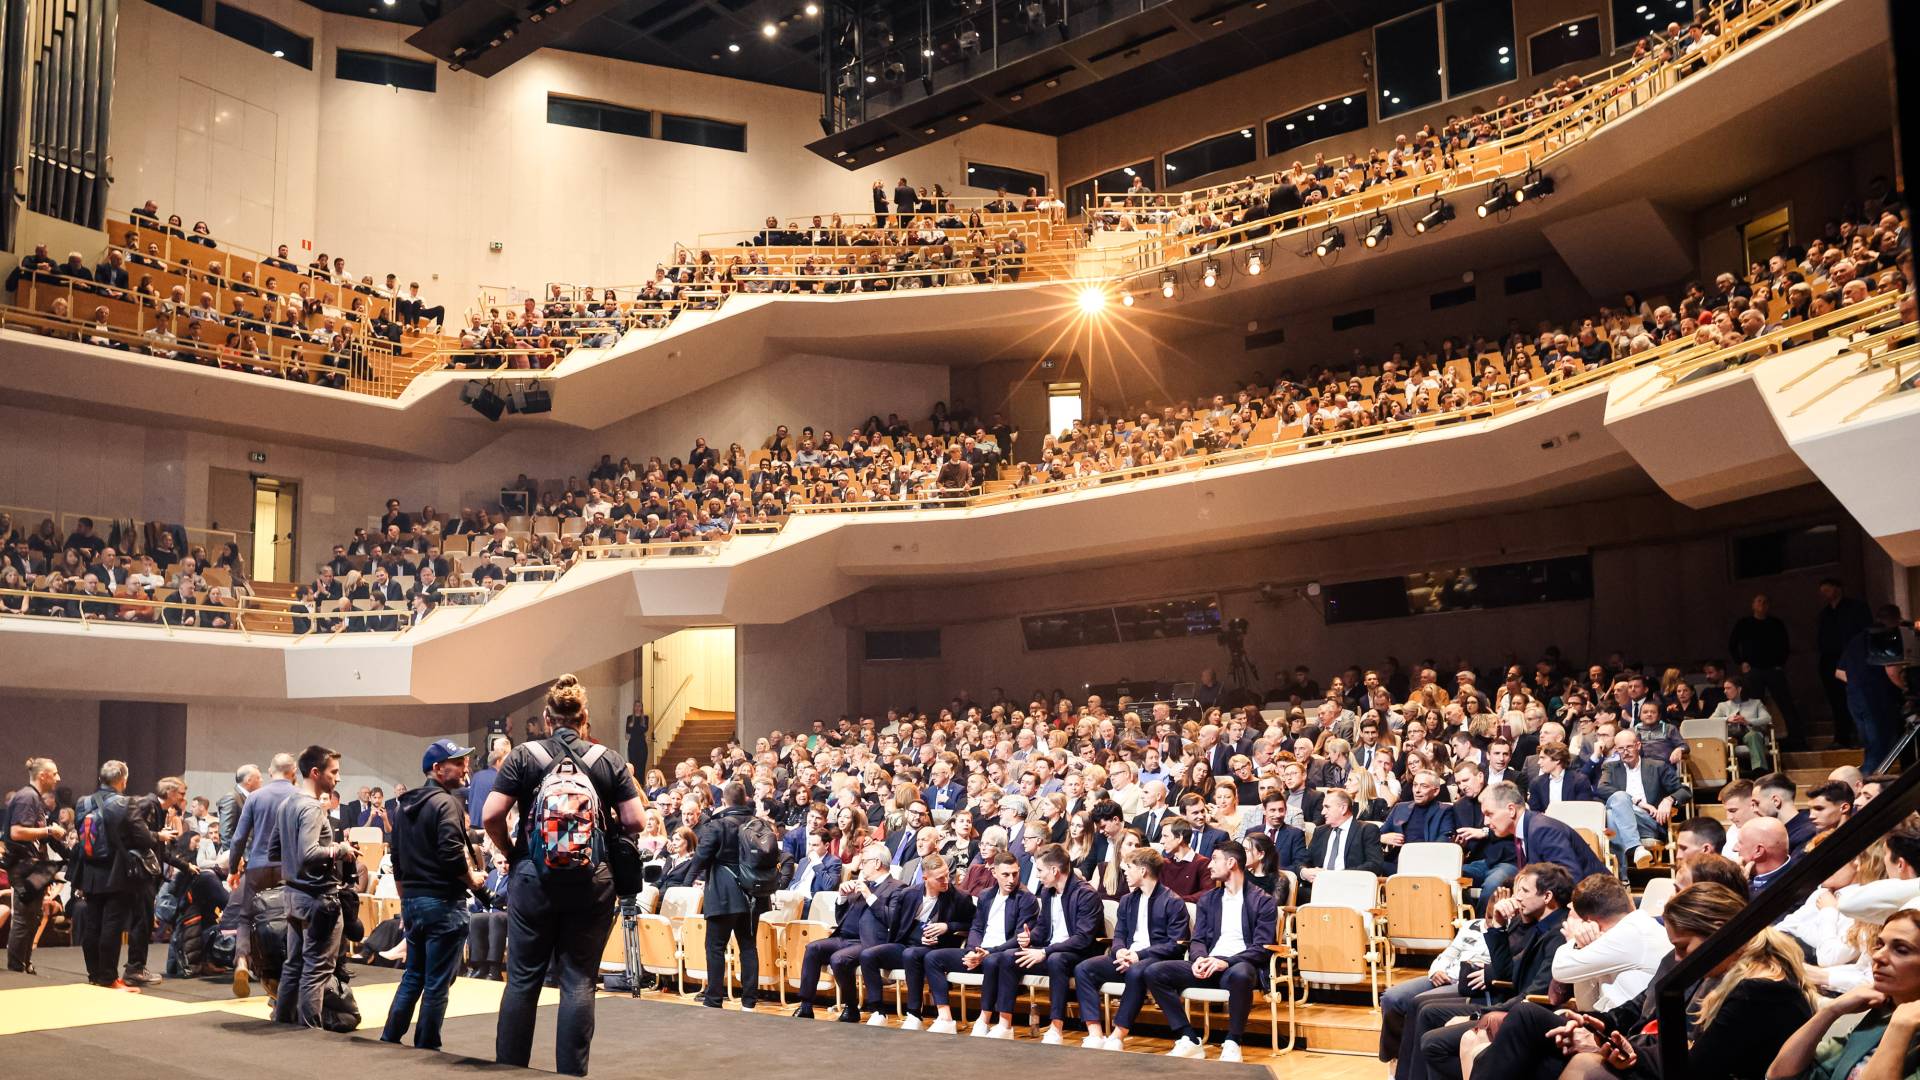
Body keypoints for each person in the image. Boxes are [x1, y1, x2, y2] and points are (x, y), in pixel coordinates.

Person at [481, 674, 646, 1077]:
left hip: (532, 880)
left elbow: (489, 815)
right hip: (591, 883)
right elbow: (636, 819)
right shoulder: (606, 759)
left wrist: (511, 851)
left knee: (522, 980)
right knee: (578, 981)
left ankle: (511, 1069)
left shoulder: (523, 756)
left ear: (546, 718)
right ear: (584, 718)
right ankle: (571, 1072)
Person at [381, 738, 485, 1050]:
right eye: (458, 762)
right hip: (443, 902)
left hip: (413, 900)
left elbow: (396, 860)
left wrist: (406, 899)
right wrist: (474, 879)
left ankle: (390, 1036)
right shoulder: (447, 803)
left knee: (414, 974)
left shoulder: (403, 808)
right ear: (437, 769)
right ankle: (427, 1045)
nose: (466, 767)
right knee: (438, 981)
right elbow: (452, 854)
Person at [1143, 839, 1278, 1062]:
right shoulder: (1209, 900)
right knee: (1154, 972)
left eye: (1215, 859)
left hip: (1235, 968)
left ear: (1232, 862)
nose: (1209, 865)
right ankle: (1188, 1037)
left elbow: (1262, 948)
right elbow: (1197, 940)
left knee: (1243, 972)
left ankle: (1233, 1041)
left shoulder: (1262, 901)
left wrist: (1226, 961)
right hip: (1208, 965)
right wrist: (1199, 959)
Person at [1767, 908, 1920, 1080]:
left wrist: (1900, 1029)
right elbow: (1779, 1075)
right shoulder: (1883, 1014)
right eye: (1880, 945)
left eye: (1901, 950)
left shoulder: (1901, 1022)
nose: (1878, 956)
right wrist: (1831, 1010)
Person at [268, 745, 354, 1027]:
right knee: (316, 970)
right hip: (318, 899)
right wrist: (338, 850)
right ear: (316, 773)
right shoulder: (312, 808)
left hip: (293, 896)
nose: (338, 778)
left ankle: (283, 1024)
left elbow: (274, 851)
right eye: (334, 772)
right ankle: (310, 1034)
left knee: (294, 966)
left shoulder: (286, 805)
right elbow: (309, 853)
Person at [1076, 846, 1190, 1051]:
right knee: (1084, 968)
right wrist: (1119, 950)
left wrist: (1139, 955)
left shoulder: (1173, 902)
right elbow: (1119, 934)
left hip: (1155, 959)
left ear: (1143, 870)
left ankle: (1118, 1034)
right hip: (1126, 956)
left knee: (1138, 970)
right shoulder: (1128, 900)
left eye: (1128, 867)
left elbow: (1175, 945)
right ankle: (1095, 1033)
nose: (1124, 872)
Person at [921, 849, 1038, 1034]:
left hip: (1002, 954)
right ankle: (945, 1017)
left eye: (1015, 874)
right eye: (1005, 874)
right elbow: (976, 927)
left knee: (991, 961)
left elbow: (1019, 938)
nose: (1011, 879)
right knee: (933, 958)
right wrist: (972, 950)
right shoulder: (986, 895)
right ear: (994, 873)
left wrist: (989, 952)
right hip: (979, 951)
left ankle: (985, 1019)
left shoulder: (1027, 898)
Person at [858, 850, 973, 1028]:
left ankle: (914, 1013)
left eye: (947, 875)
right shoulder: (909, 894)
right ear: (925, 878)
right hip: (907, 944)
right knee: (868, 955)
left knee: (911, 955)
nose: (946, 881)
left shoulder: (960, 898)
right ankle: (877, 1010)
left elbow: (972, 924)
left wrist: (947, 927)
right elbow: (897, 924)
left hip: (937, 948)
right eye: (940, 878)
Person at [691, 780, 769, 1010]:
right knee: (748, 946)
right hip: (753, 893)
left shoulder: (718, 825)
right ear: (745, 799)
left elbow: (701, 857)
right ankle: (749, 1002)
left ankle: (714, 999)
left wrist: (692, 877)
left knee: (715, 947)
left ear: (724, 801)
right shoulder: (759, 823)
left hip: (723, 893)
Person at [226, 752, 297, 999]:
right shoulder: (299, 796)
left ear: (270, 771)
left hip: (257, 865)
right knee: (288, 918)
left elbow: (238, 838)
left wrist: (233, 869)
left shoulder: (255, 797)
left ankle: (242, 962)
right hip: (288, 868)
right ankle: (281, 975)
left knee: (246, 916)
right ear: (294, 772)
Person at [74, 759, 140, 989]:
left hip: (89, 871)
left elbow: (79, 833)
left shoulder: (82, 802)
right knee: (112, 925)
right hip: (115, 872)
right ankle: (109, 977)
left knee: (92, 925)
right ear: (123, 780)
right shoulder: (126, 803)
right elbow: (139, 836)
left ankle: (94, 974)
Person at [1028, 843, 1103, 1044]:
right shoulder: (1047, 892)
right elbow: (1042, 928)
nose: (1037, 876)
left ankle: (1056, 1025)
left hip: (1079, 953)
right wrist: (1030, 938)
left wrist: (1045, 951)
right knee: (1005, 958)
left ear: (1054, 870)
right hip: (1050, 950)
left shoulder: (1085, 894)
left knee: (1056, 960)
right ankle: (1002, 1022)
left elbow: (1083, 938)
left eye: (1040, 870)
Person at [4, 757, 68, 974]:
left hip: (34, 866)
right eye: (55, 773)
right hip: (23, 866)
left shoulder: (34, 798)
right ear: (43, 775)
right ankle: (16, 967)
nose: (58, 778)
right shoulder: (27, 797)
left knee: (34, 916)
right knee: (24, 918)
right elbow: (16, 832)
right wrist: (50, 831)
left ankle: (24, 963)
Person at [1597, 729, 1692, 872]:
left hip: (1648, 821)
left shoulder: (1658, 766)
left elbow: (1685, 791)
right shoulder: (1610, 767)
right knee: (1616, 806)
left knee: (1612, 815)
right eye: (1621, 748)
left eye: (1629, 747)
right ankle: (1637, 849)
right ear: (1616, 750)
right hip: (1623, 820)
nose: (1625, 752)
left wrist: (1668, 800)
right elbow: (1602, 789)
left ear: (1638, 745)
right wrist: (1636, 801)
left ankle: (1621, 876)